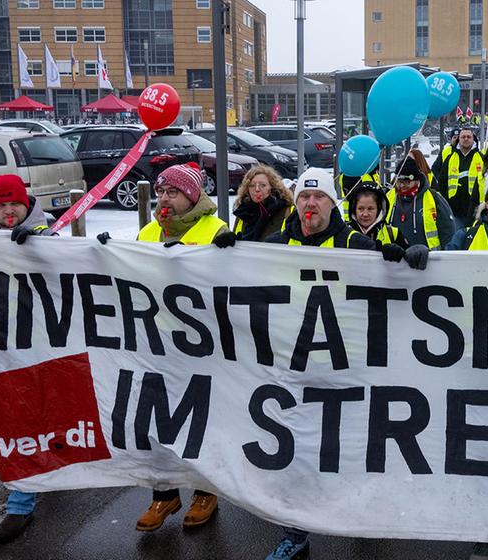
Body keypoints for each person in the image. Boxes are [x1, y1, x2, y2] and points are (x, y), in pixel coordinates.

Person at [262, 167, 400, 560]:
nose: (310, 204)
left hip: (346, 366)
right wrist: (222, 250)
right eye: (304, 197)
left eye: (318, 197)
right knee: (297, 452)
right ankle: (295, 532)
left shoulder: (352, 241)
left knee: (353, 446)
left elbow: (396, 281)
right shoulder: (275, 244)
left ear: (331, 203)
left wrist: (402, 258)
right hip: (295, 366)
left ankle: (363, 513)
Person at [130, 164, 234, 532]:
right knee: (155, 419)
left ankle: (206, 491)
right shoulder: (147, 231)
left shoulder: (215, 229)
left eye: (171, 192)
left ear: (190, 196)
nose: (164, 199)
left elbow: (231, 286)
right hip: (156, 342)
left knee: (202, 421)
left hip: (202, 346)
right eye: (160, 192)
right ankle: (164, 494)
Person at [0, 174, 55, 543]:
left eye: (14, 204)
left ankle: (53, 473)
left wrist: (37, 246)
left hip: (49, 345)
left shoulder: (50, 232)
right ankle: (21, 505)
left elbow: (66, 271)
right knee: (20, 422)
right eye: (0, 205)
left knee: (51, 416)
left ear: (26, 203)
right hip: (6, 347)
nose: (8, 211)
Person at [387, 150, 456, 249]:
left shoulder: (434, 199)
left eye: (407, 182)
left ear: (417, 180)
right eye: (399, 181)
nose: (402, 186)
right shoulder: (389, 197)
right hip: (394, 260)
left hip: (428, 260)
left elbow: (448, 232)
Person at [432, 128, 485, 229]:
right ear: (459, 140)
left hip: (475, 209)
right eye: (463, 137)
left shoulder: (482, 158)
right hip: (454, 211)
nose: (466, 139)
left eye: (469, 137)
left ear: (473, 139)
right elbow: (442, 183)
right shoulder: (450, 158)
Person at [232, 164, 293, 242]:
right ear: (247, 189)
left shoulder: (287, 211)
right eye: (252, 185)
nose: (257, 189)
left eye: (263, 185)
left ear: (273, 187)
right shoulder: (242, 212)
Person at [345, 179, 406, 247]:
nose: (365, 214)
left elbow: (409, 256)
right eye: (360, 209)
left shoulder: (393, 234)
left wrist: (397, 253)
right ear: (354, 209)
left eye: (370, 209)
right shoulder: (344, 234)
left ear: (379, 209)